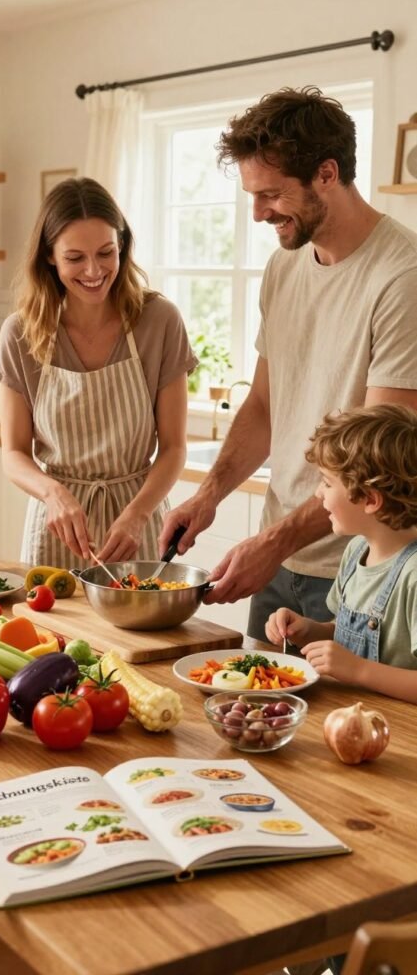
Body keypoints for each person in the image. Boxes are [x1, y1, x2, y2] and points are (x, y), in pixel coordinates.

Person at [160, 86, 417, 640]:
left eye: (272, 194)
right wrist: (208, 496)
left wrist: (273, 541)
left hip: (368, 571)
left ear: (327, 173)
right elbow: (264, 405)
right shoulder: (285, 267)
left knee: (350, 728)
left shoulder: (403, 278)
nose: (257, 213)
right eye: (252, 195)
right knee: (254, 716)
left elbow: (379, 462)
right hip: (279, 560)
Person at [0, 176, 197, 570]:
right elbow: (14, 453)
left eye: (106, 252)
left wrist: (137, 514)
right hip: (58, 530)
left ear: (122, 245)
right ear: (49, 256)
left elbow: (173, 447)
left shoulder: (159, 321)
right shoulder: (21, 333)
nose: (93, 270)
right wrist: (53, 494)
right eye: (75, 258)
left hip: (138, 522)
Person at [266, 404, 417, 702]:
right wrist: (309, 631)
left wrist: (359, 670)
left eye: (326, 482)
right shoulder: (357, 550)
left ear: (370, 499)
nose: (319, 493)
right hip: (352, 717)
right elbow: (345, 633)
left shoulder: (413, 574)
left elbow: (356, 664)